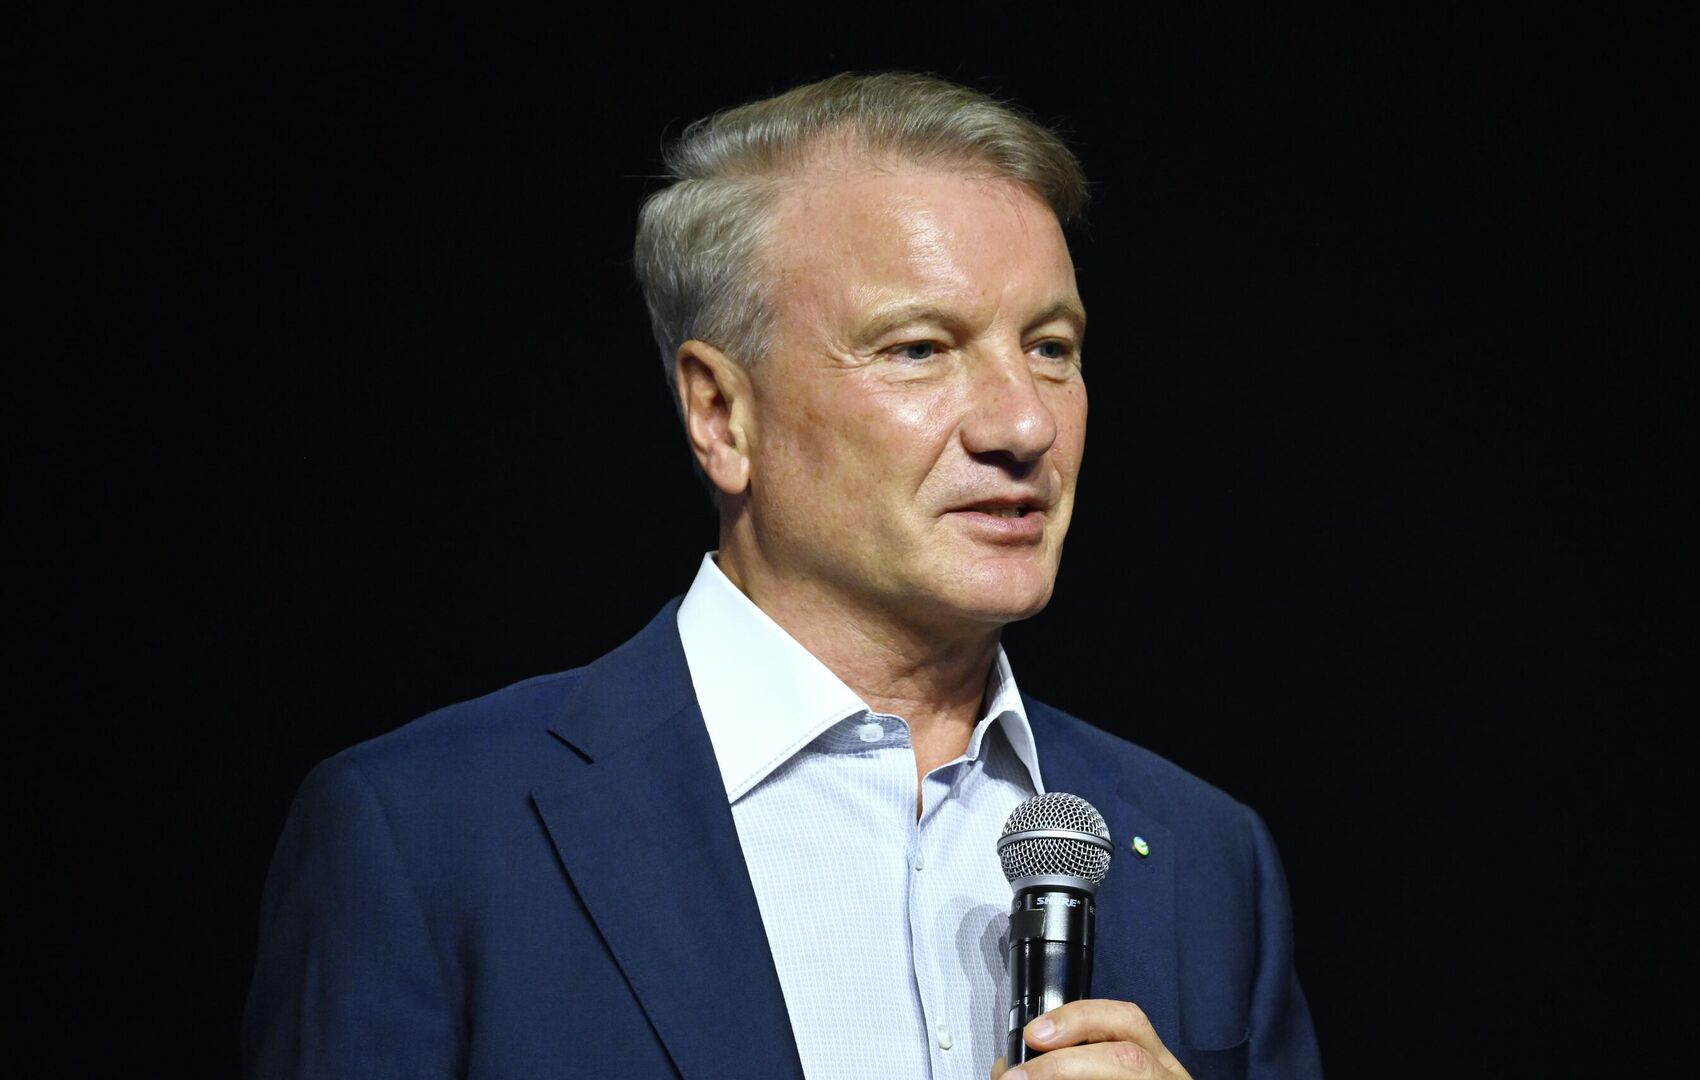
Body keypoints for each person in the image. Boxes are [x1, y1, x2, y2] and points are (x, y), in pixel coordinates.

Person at [243, 72, 1322, 1080]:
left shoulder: (1205, 858)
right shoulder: (429, 836)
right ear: (722, 414)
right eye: (919, 348)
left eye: (1050, 347)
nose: (1023, 424)